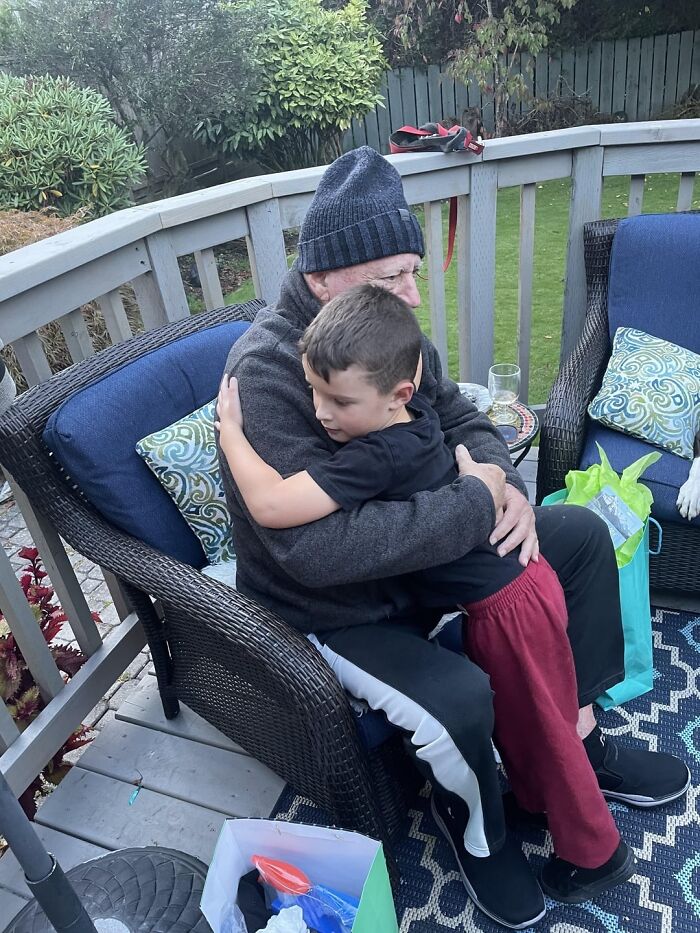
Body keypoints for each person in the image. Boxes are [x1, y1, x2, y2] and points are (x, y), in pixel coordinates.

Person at [218, 146, 690, 929]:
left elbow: (468, 419)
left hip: (421, 562)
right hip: (336, 607)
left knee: (576, 538)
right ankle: (478, 829)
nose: (410, 294)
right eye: (390, 277)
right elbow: (314, 551)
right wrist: (474, 505)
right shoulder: (270, 372)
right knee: (459, 699)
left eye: (412, 271)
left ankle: (581, 737)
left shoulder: (385, 330)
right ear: (324, 277)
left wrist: (501, 480)